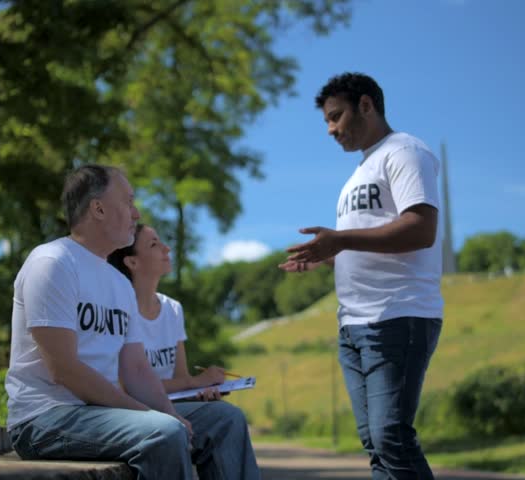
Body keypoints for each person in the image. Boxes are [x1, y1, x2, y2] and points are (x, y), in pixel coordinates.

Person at [279, 72, 443, 480]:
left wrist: (340, 240)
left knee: (392, 437)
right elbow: (364, 243)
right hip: (353, 327)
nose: (331, 130)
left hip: (397, 316)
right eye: (327, 122)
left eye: (336, 117)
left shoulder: (404, 152)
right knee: (376, 445)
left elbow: (421, 229)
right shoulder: (356, 175)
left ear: (366, 105)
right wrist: (328, 257)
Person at [4, 165, 203, 479]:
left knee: (223, 421)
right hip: (45, 419)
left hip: (99, 415)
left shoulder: (119, 284)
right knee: (163, 433)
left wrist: (170, 412)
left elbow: (136, 368)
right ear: (98, 208)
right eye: (128, 202)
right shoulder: (52, 262)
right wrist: (152, 416)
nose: (136, 214)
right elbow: (64, 370)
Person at [108, 224, 261, 480]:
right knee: (177, 429)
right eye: (154, 244)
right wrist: (194, 382)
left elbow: (181, 381)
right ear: (132, 262)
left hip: (169, 407)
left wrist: (199, 393)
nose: (166, 248)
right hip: (133, 410)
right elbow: (127, 386)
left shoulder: (173, 309)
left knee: (229, 417)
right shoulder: (117, 309)